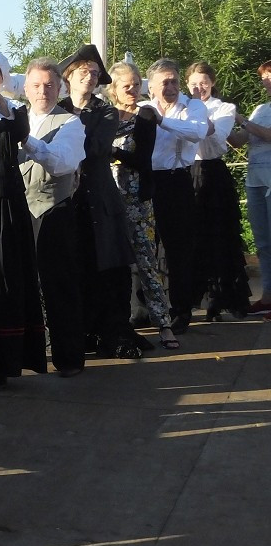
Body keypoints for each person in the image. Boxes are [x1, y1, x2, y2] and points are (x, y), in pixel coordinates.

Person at [0, 50, 48, 383]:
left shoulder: (12, 109)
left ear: (2, 76)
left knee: (3, 276)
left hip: (4, 201)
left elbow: (18, 131)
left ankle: (5, 360)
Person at [57, 44, 138, 359]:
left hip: (98, 197)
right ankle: (78, 332)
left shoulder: (104, 110)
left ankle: (112, 333)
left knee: (106, 269)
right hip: (66, 198)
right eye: (83, 72)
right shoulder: (57, 107)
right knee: (71, 267)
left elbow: (96, 148)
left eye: (93, 73)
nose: (89, 77)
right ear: (69, 77)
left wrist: (62, 145)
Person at [19, 58, 87, 377]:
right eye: (36, 85)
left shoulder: (72, 123)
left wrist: (25, 140)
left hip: (54, 210)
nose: (43, 91)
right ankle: (22, 356)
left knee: (59, 285)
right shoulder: (15, 117)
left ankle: (69, 356)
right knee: (18, 287)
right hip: (18, 212)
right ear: (25, 89)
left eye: (49, 85)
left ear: (60, 88)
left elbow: (62, 163)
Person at [106, 60, 179, 349]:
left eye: (137, 85)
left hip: (136, 198)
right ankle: (115, 322)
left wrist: (109, 150)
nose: (133, 90)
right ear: (113, 89)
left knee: (147, 262)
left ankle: (164, 324)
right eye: (127, 86)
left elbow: (141, 157)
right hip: (108, 197)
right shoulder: (106, 115)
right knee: (112, 265)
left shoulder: (146, 114)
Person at [142, 58, 210, 334]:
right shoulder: (143, 107)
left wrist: (163, 122)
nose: (170, 87)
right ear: (152, 87)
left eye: (174, 81)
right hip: (147, 179)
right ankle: (145, 310)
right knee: (144, 247)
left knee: (178, 247)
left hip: (176, 178)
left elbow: (197, 132)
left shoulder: (192, 105)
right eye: (164, 83)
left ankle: (181, 309)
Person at [186, 60, 250, 320]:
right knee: (190, 238)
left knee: (219, 235)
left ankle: (220, 299)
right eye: (194, 83)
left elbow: (216, 140)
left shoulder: (223, 108)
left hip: (212, 173)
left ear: (212, 83)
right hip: (185, 174)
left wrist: (198, 118)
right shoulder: (181, 106)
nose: (199, 87)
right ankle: (188, 299)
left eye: (204, 82)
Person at [229, 59, 271, 319]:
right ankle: (268, 295)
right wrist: (217, 124)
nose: (266, 81)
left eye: (270, 76)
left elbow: (268, 135)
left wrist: (240, 119)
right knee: (263, 243)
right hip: (255, 180)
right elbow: (239, 139)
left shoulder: (252, 115)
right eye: (264, 77)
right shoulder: (260, 108)